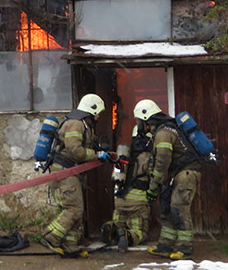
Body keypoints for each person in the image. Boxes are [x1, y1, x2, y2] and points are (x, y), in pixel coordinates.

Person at [40, 93, 115, 258]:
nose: (99, 116)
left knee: (75, 209)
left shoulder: (83, 124)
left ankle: (70, 245)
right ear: (91, 110)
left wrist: (103, 151)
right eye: (98, 112)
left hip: (71, 172)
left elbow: (89, 143)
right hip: (66, 172)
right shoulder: (75, 124)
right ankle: (50, 236)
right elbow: (75, 151)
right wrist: (97, 156)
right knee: (73, 208)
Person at [135, 99, 202, 260]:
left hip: (186, 174)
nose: (139, 126)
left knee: (179, 209)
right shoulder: (166, 128)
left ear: (146, 119)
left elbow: (162, 162)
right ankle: (165, 246)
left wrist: (153, 186)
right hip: (178, 174)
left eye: (139, 121)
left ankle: (185, 249)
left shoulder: (163, 133)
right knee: (167, 208)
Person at [101, 123, 154, 251]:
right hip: (137, 202)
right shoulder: (147, 156)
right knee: (139, 231)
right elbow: (154, 176)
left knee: (120, 223)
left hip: (119, 200)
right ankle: (128, 235)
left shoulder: (123, 155)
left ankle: (111, 229)